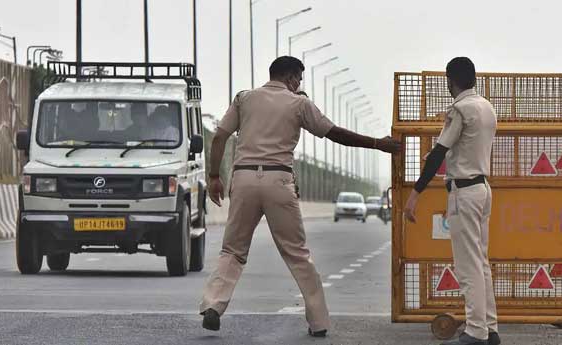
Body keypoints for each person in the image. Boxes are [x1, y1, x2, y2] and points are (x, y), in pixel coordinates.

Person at [200, 56, 401, 337]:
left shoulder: (244, 99)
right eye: (299, 80)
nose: (299, 86)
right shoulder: (299, 103)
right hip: (279, 180)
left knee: (232, 250)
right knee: (297, 254)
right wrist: (378, 144)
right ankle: (318, 322)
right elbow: (335, 134)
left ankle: (213, 305)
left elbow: (220, 137)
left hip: (243, 179)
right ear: (292, 78)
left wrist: (213, 177)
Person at [403, 57, 499, 345]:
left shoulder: (460, 108)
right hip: (483, 189)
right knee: (480, 262)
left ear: (450, 80)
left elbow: (438, 154)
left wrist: (414, 195)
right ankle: (489, 327)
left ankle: (475, 332)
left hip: (464, 192)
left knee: (468, 266)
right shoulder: (487, 107)